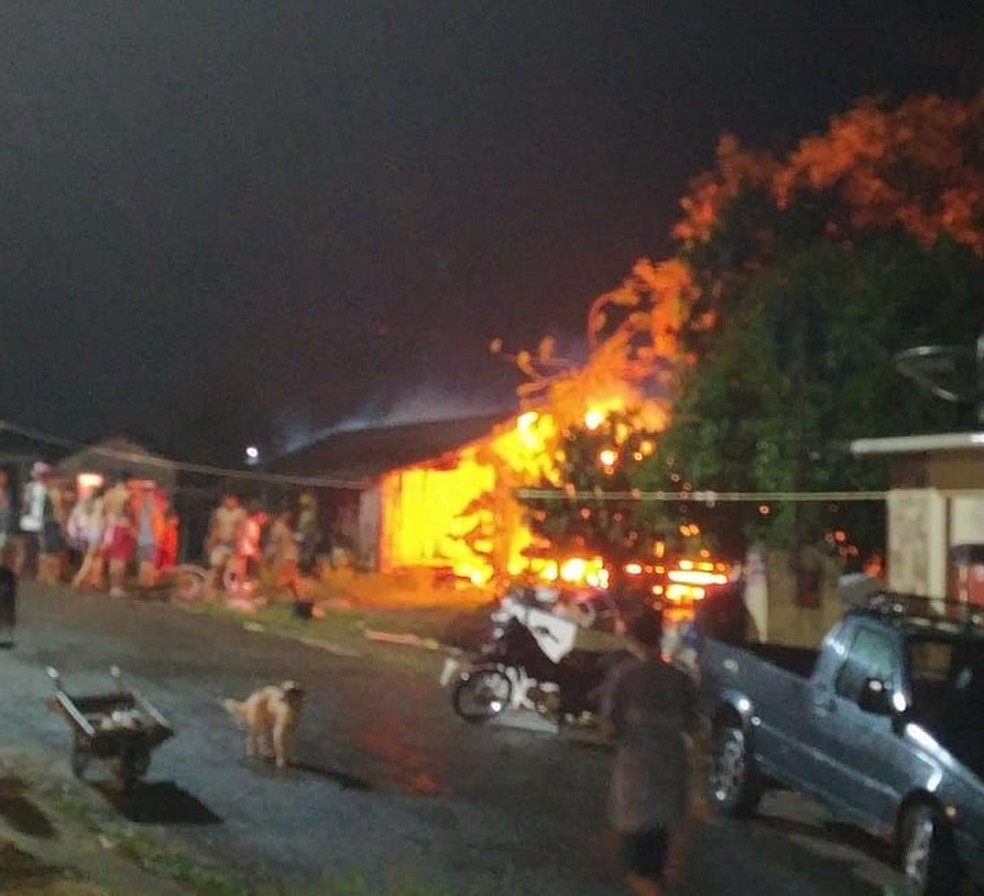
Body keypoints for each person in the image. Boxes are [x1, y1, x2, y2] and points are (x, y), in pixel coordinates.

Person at [600, 610, 698, 896]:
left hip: (637, 781)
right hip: (672, 775)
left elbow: (609, 728)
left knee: (639, 866)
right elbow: (694, 726)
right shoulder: (680, 679)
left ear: (632, 638)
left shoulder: (625, 676)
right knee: (658, 860)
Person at [67, 484, 106, 590]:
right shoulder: (101, 503)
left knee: (88, 557)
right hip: (95, 532)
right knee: (91, 557)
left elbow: (75, 516)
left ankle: (89, 580)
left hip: (83, 532)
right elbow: (103, 519)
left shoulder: (82, 502)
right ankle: (79, 578)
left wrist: (74, 532)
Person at [206, 494, 247, 594]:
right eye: (227, 500)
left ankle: (233, 588)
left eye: (231, 500)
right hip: (221, 541)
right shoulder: (220, 512)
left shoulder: (240, 513)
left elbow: (240, 528)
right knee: (216, 564)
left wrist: (238, 542)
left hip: (233, 542)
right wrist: (212, 541)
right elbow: (216, 527)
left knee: (233, 567)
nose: (229, 502)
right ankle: (211, 587)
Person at [102, 475, 135, 597]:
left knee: (113, 559)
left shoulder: (108, 494)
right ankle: (118, 587)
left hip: (110, 527)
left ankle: (112, 587)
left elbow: (103, 511)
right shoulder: (126, 495)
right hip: (123, 527)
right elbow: (128, 511)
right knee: (121, 560)